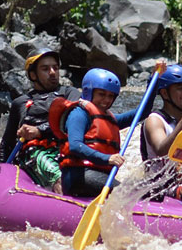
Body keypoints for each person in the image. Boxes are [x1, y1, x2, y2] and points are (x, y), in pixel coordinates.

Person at [50, 68, 153, 197]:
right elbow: (75, 146)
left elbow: (142, 112)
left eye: (110, 96)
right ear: (89, 92)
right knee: (129, 194)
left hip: (98, 176)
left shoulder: (110, 118)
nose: (106, 100)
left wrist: (153, 81)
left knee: (146, 192)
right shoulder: (79, 114)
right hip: (79, 175)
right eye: (101, 94)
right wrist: (107, 158)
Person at [0, 48, 80, 193]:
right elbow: (7, 143)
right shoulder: (20, 102)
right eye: (45, 69)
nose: (53, 72)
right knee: (61, 178)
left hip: (67, 148)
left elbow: (68, 118)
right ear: (33, 74)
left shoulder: (70, 93)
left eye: (55, 67)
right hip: (36, 153)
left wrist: (38, 131)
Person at [140, 64, 182, 199]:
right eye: (180, 88)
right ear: (164, 93)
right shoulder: (155, 120)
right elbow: (161, 150)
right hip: (159, 188)